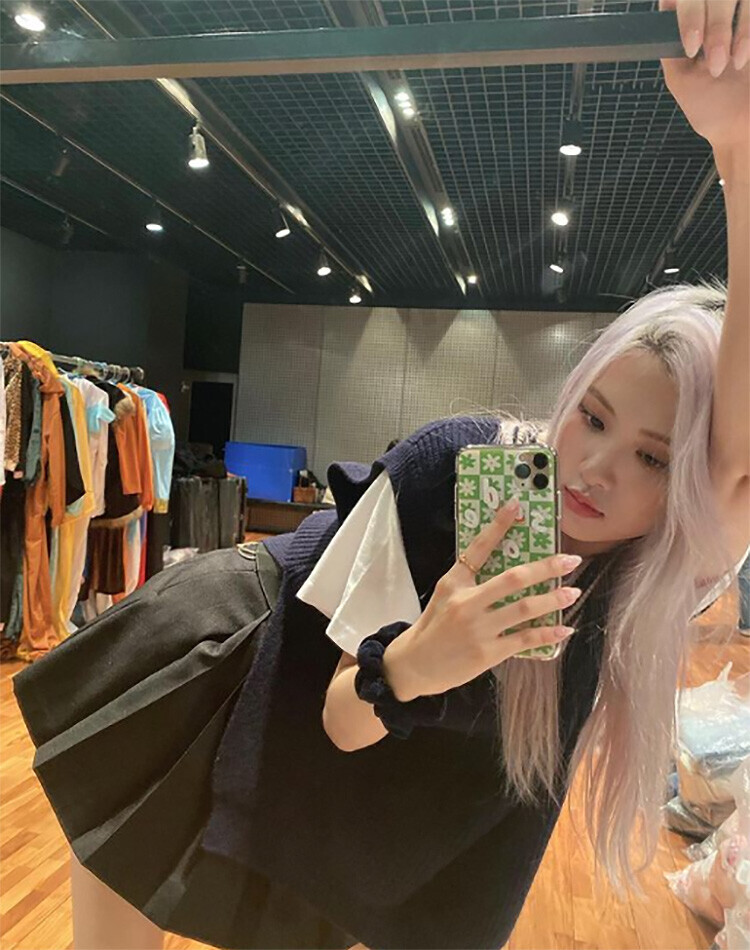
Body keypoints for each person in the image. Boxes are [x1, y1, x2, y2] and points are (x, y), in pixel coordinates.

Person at [11, 3, 750, 949]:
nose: (595, 468)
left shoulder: (662, 570)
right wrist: (418, 662)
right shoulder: (462, 471)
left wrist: (736, 148)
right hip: (234, 657)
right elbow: (338, 717)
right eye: (592, 418)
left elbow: (734, 456)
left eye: (653, 457)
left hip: (386, 780)